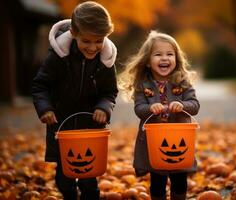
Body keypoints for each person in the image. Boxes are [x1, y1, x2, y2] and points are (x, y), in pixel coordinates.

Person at [31, 1, 118, 199]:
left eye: (99, 41)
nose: (93, 47)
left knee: (89, 175)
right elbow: (40, 85)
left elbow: (109, 91)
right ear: (73, 33)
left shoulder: (105, 61)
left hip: (90, 126)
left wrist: (103, 108)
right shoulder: (58, 57)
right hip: (62, 124)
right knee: (64, 176)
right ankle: (69, 195)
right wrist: (45, 109)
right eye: (86, 41)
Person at [118, 31, 200, 200]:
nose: (164, 58)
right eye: (158, 54)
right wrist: (150, 108)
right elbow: (139, 109)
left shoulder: (183, 82)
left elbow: (195, 106)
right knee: (157, 179)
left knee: (179, 179)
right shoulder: (143, 85)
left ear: (176, 59)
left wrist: (182, 105)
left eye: (170, 54)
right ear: (147, 61)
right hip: (155, 142)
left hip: (178, 139)